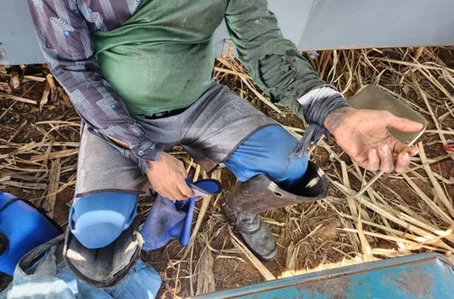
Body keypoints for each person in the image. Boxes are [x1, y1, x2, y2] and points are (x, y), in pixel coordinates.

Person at [28, 0, 423, 284]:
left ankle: (243, 208)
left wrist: (333, 112)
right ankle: (129, 225)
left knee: (295, 169)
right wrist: (147, 155)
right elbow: (73, 69)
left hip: (200, 101)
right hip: (117, 118)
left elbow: (263, 43)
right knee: (98, 234)